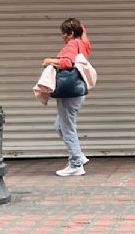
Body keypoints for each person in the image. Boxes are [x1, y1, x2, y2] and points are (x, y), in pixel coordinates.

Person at [41, 17, 92, 176]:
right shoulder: (83, 44)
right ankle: (79, 156)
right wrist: (78, 27)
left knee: (67, 127)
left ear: (70, 33)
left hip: (69, 93)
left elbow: (67, 63)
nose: (62, 36)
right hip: (76, 91)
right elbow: (83, 32)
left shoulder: (71, 44)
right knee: (59, 125)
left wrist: (48, 61)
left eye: (64, 33)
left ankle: (76, 164)